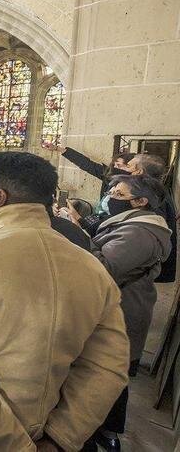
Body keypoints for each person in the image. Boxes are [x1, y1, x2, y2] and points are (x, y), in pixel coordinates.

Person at [0, 152, 129, 452]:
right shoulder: (92, 269)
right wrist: (61, 437)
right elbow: (108, 367)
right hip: (50, 434)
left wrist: (15, 444)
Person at [85, 174, 172, 451]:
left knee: (109, 374)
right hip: (119, 308)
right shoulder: (134, 225)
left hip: (123, 311)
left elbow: (103, 268)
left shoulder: (139, 233)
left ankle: (106, 434)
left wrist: (77, 234)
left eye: (118, 193)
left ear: (140, 201)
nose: (110, 196)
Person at [126, 153, 177, 283]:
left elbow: (153, 232)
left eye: (128, 166)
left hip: (151, 268)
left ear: (139, 171)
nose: (125, 170)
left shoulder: (151, 195)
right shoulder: (155, 189)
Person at [44, 142, 134, 201]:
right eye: (114, 165)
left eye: (119, 165)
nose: (114, 168)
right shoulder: (110, 176)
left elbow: (88, 164)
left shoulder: (132, 187)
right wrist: (57, 148)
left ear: (130, 168)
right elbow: (87, 164)